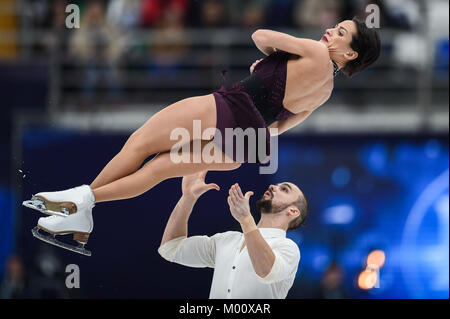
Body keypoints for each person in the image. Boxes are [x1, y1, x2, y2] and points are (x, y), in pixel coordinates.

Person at [23, 18, 380, 255]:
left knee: (141, 143)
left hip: (231, 107)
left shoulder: (316, 51)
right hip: (249, 143)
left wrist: (273, 57)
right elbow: (278, 129)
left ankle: (79, 205)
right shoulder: (325, 93)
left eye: (341, 33)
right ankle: (84, 210)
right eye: (335, 26)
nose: (330, 32)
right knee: (159, 169)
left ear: (349, 54)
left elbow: (260, 36)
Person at [158, 171, 308, 298]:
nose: (273, 186)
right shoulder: (227, 239)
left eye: (284, 189)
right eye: (277, 185)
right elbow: (170, 249)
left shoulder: (288, 248)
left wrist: (246, 220)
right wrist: (188, 198)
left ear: (293, 211)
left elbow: (266, 272)